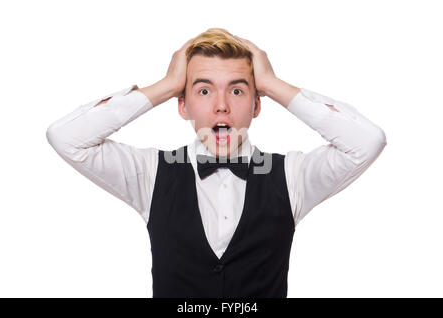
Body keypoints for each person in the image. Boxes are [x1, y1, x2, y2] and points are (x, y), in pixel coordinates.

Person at [46, 28, 387, 298]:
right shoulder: (149, 174)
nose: (221, 106)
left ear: (256, 105)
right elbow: (67, 138)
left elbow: (366, 142)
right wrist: (165, 86)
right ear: (183, 106)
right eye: (204, 91)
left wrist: (272, 84)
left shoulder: (292, 176)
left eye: (237, 91)